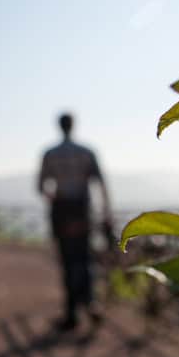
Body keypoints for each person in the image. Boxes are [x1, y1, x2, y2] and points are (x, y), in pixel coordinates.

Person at [37, 112, 112, 331]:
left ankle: (72, 313)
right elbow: (101, 184)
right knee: (85, 258)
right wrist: (106, 212)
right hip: (82, 210)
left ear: (59, 126)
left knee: (68, 260)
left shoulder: (50, 154)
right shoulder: (86, 152)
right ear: (73, 125)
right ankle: (90, 302)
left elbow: (41, 186)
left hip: (62, 210)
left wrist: (55, 198)